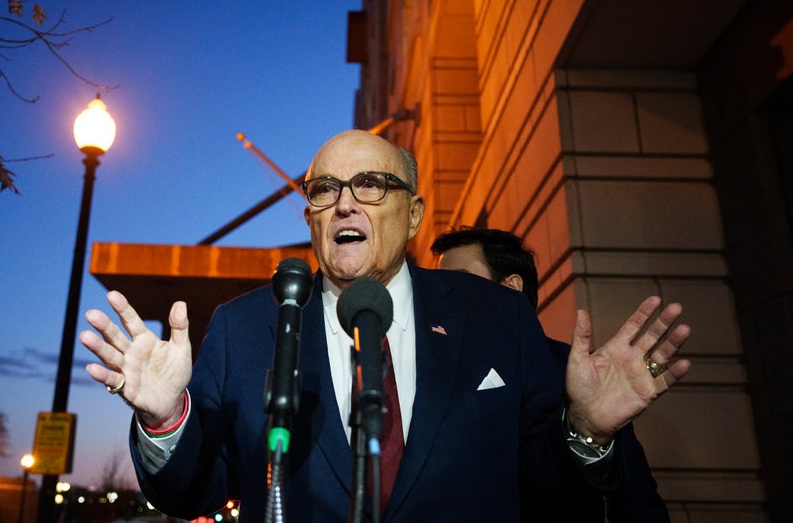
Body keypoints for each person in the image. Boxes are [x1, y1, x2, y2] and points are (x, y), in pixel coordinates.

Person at [80, 129, 691, 522]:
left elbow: (545, 491)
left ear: (415, 213)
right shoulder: (244, 329)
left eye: (371, 185)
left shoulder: (494, 317)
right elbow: (196, 493)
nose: (345, 203)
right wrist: (163, 420)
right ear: (312, 215)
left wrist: (584, 428)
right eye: (325, 189)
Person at [432, 226, 672, 522]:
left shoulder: (575, 374)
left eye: (461, 280)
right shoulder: (433, 374)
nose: (443, 295)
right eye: (441, 283)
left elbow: (637, 503)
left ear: (511, 287)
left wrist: (586, 430)